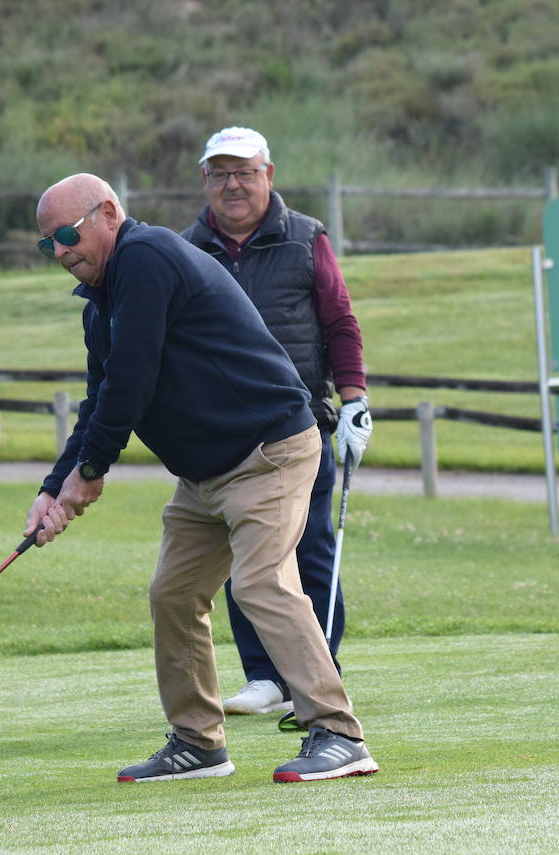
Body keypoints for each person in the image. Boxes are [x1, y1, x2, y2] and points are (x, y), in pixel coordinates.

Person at [25, 172, 377, 783]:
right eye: (45, 243)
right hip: (204, 474)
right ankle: (199, 742)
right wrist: (54, 488)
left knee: (261, 582)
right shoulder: (103, 301)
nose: (59, 252)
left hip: (269, 449)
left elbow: (132, 382)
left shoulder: (146, 258)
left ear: (108, 212)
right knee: (174, 593)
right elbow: (100, 400)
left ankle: (338, 732)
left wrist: (90, 472)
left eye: (65, 234)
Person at [180, 126, 372, 719]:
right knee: (245, 558)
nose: (232, 185)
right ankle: (264, 676)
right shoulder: (185, 249)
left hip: (302, 425)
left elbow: (340, 323)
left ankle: (320, 674)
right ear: (205, 182)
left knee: (310, 553)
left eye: (244, 172)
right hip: (225, 435)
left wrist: (355, 397)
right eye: (220, 174)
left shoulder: (305, 237)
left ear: (269, 176)